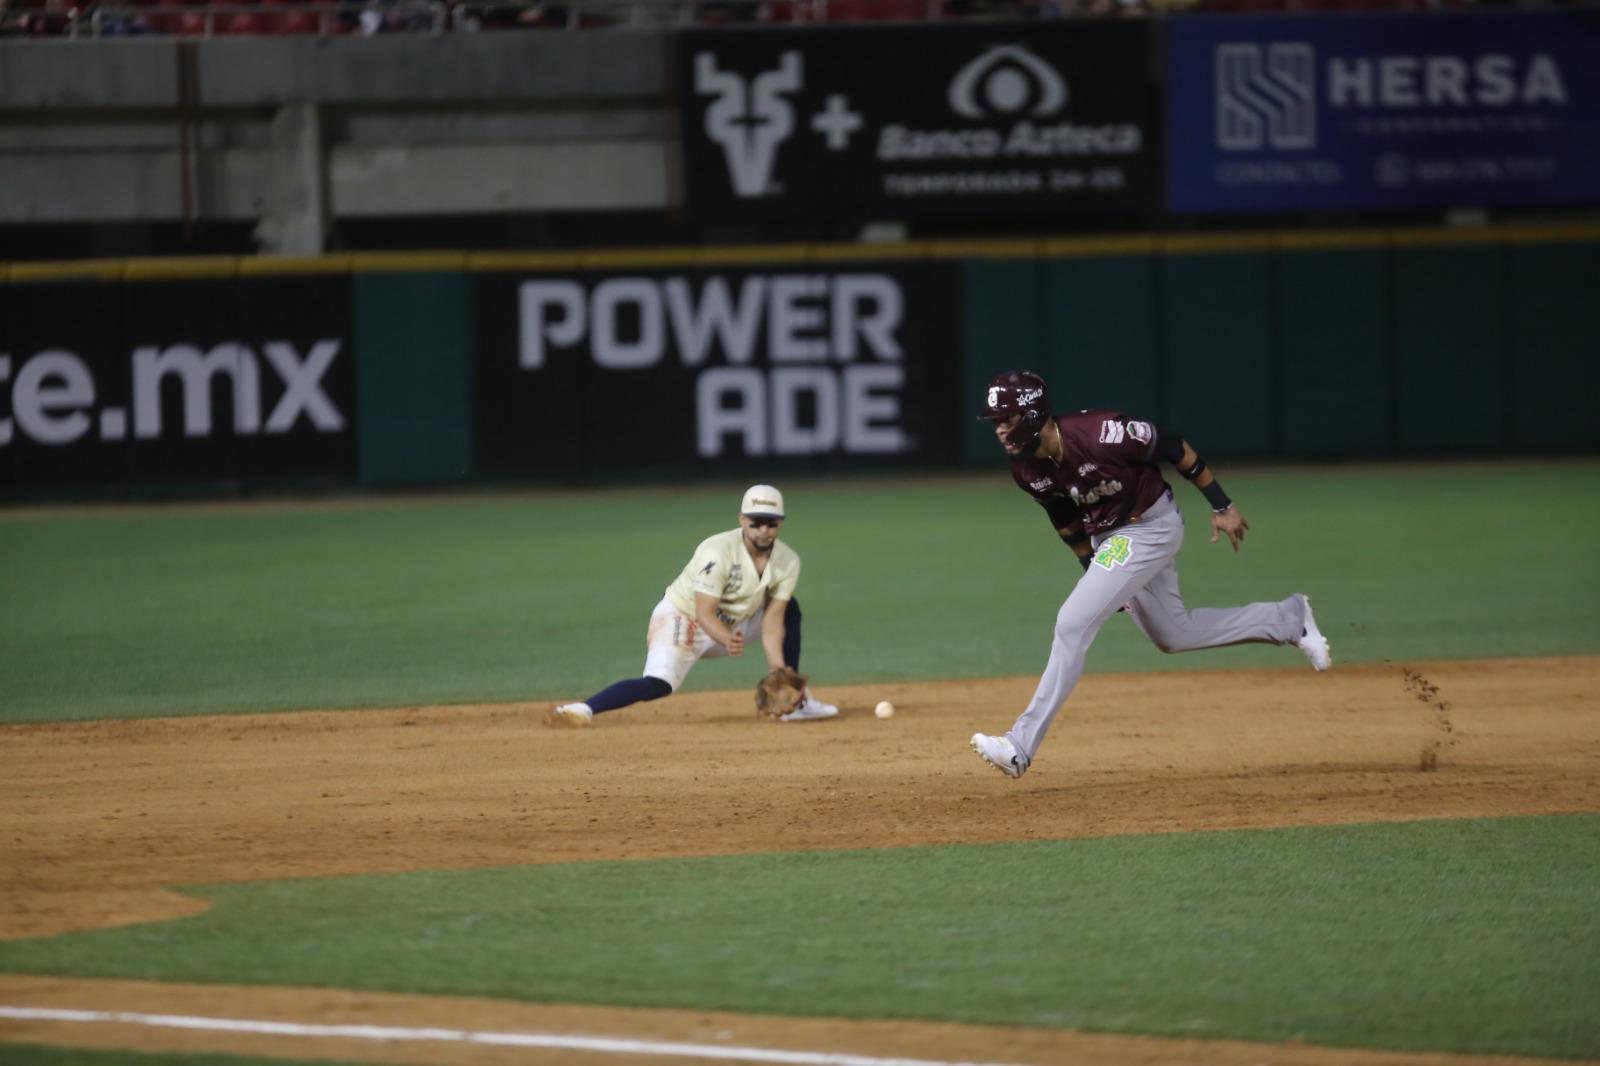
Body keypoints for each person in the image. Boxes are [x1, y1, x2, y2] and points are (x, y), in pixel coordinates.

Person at [968, 370, 1330, 779]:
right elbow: (1064, 519)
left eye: (1007, 418)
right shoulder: (1027, 470)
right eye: (995, 421)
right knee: (1173, 634)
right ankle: (1289, 619)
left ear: (1033, 414)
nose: (999, 429)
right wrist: (1094, 572)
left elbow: (1174, 447)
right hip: (1112, 540)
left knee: (1072, 623)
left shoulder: (1102, 434)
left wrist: (1221, 505)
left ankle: (1019, 745)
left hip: (1150, 526)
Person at [547, 484, 840, 727]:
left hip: (735, 624)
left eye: (771, 523)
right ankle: (582, 708)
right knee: (658, 685)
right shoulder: (718, 551)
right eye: (756, 522)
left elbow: (773, 620)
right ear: (742, 520)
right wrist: (727, 640)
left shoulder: (788, 561)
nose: (764, 530)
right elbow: (704, 612)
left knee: (791, 608)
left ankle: (797, 701)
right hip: (685, 619)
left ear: (780, 523)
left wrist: (779, 672)